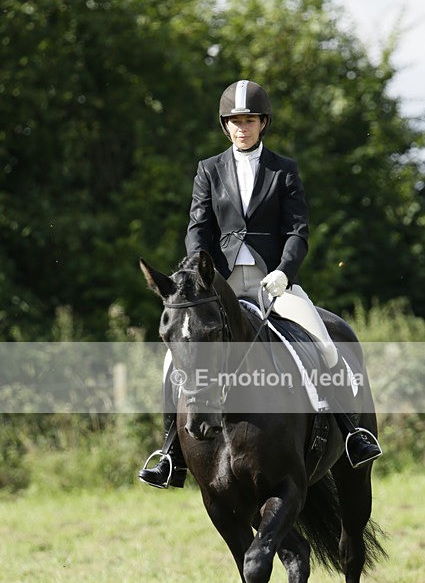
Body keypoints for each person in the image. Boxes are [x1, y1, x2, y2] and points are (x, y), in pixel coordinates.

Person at [139, 79, 381, 489]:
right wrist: (204, 272)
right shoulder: (209, 170)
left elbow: (297, 231)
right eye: (234, 121)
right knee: (171, 363)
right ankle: (169, 454)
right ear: (225, 125)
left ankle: (350, 432)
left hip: (275, 283)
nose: (241, 128)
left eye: (248, 120)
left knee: (324, 344)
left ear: (262, 123)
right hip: (220, 284)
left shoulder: (284, 169)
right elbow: (198, 229)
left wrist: (285, 271)